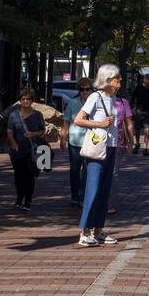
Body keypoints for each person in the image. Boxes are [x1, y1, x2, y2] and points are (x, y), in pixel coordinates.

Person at [74, 65, 122, 247]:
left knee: (104, 190)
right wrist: (99, 124)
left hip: (111, 147)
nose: (120, 81)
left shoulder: (113, 98)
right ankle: (84, 231)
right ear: (108, 80)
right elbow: (78, 119)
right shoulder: (95, 96)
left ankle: (98, 229)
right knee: (93, 189)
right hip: (97, 149)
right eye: (117, 78)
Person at [6, 87, 46, 209]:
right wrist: (13, 142)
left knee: (29, 175)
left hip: (32, 150)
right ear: (20, 100)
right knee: (18, 175)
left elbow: (43, 131)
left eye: (28, 99)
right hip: (17, 150)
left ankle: (28, 201)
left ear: (32, 101)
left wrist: (33, 134)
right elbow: (9, 131)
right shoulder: (13, 115)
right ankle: (19, 198)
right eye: (23, 99)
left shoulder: (37, 115)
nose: (25, 101)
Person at [62, 78, 93, 206]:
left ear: (91, 90)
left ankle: (83, 196)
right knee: (74, 170)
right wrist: (63, 138)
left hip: (90, 142)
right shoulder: (72, 103)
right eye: (82, 89)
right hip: (74, 142)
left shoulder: (95, 104)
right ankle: (75, 196)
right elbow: (65, 121)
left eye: (87, 89)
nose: (84, 92)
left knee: (87, 170)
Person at [130, 73, 149, 156]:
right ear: (144, 80)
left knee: (147, 129)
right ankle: (137, 144)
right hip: (139, 111)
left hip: (148, 111)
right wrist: (133, 108)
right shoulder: (138, 88)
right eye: (148, 80)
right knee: (137, 129)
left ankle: (145, 147)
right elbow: (133, 98)